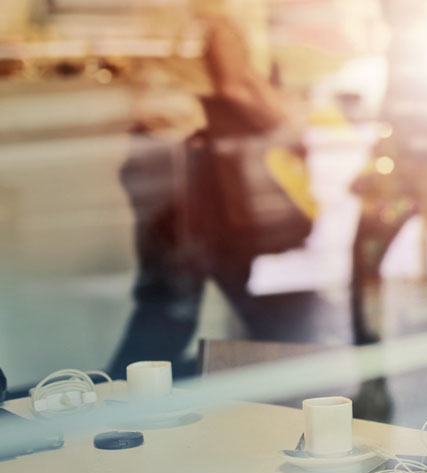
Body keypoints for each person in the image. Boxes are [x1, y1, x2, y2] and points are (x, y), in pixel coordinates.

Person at [107, 11, 307, 379]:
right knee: (180, 303)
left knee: (180, 300)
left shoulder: (192, 11)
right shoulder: (219, 11)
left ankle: (118, 396)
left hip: (173, 157)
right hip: (192, 166)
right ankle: (116, 399)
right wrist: (286, 127)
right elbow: (235, 83)